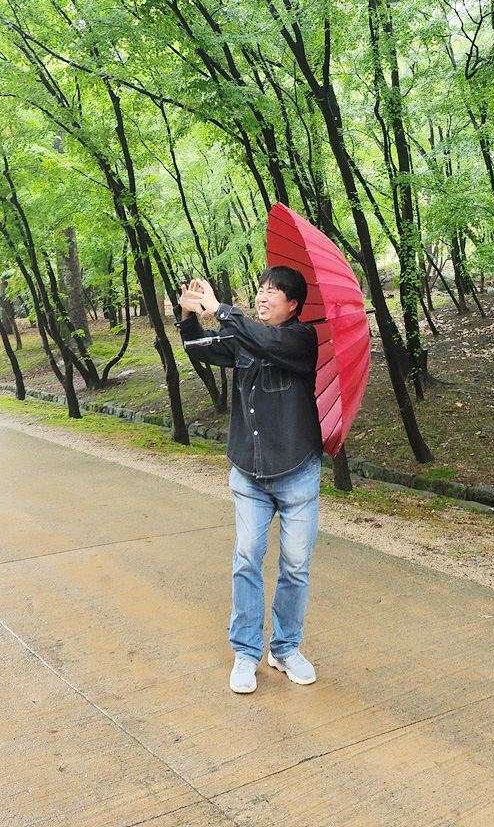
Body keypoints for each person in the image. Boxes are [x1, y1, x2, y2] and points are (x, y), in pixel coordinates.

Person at [177, 267, 322, 694]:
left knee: (295, 565)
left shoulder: (302, 339)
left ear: (293, 304)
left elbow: (267, 342)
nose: (262, 297)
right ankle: (246, 652)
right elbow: (198, 347)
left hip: (296, 473)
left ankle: (285, 648)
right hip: (249, 473)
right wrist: (187, 314)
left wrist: (220, 308)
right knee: (246, 559)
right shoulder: (245, 335)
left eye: (272, 292)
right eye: (260, 289)